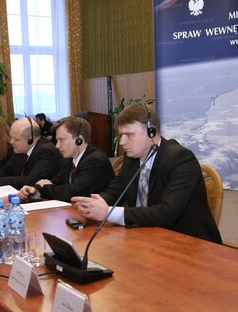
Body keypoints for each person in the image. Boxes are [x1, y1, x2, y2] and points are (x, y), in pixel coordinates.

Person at [72, 103, 221, 244]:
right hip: (144, 236)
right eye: (121, 135)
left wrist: (108, 212)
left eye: (129, 135)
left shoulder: (181, 159)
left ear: (152, 132)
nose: (122, 142)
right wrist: (94, 205)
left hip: (188, 243)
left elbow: (166, 213)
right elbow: (116, 189)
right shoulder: (132, 158)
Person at [18, 116, 114, 202]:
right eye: (57, 140)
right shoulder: (69, 158)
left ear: (79, 140)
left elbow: (70, 193)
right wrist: (35, 189)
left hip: (101, 219)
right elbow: (56, 182)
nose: (57, 146)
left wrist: (45, 186)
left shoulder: (96, 161)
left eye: (61, 140)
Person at [0, 116, 62, 189]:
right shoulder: (21, 149)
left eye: (16, 139)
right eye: (11, 137)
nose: (11, 142)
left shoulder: (46, 151)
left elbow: (31, 180)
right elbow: (7, 170)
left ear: (30, 140)